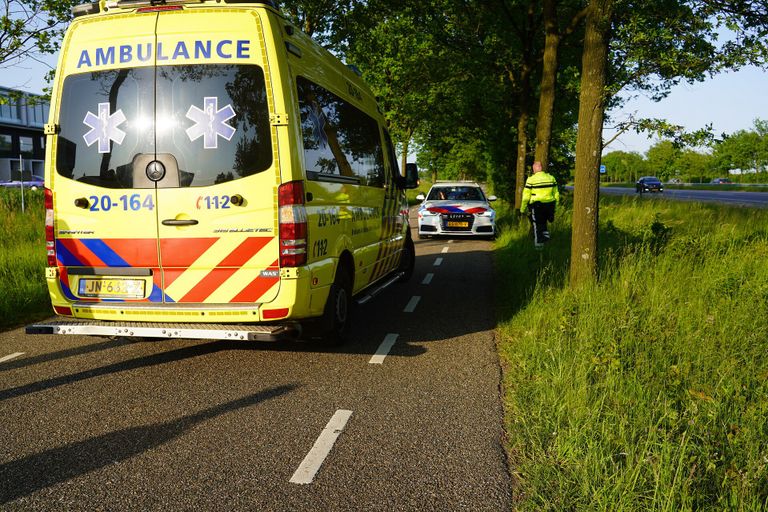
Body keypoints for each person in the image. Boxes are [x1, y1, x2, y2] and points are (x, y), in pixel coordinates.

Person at [520, 160, 560, 249]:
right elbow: (556, 193)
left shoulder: (531, 179)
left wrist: (522, 208)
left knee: (537, 226)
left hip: (537, 206)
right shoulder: (551, 178)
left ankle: (539, 249)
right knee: (544, 224)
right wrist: (555, 206)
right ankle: (546, 243)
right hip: (550, 205)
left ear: (534, 169)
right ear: (542, 168)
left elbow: (526, 196)